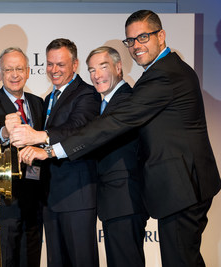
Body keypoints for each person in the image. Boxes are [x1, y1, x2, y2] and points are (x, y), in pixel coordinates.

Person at [20, 10, 221, 267]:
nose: (136, 45)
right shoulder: (163, 71)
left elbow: (115, 123)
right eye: (131, 40)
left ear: (161, 36)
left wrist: (49, 150)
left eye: (143, 37)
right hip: (180, 185)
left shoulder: (164, 74)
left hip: (181, 186)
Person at [11, 38, 101, 267]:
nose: (54, 70)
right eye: (50, 64)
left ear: (75, 64)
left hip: (77, 196)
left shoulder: (87, 94)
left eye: (60, 64)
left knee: (81, 261)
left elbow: (78, 127)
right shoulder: (48, 98)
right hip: (51, 198)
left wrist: (38, 136)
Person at [0, 47, 44, 267]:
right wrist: (6, 132)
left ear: (27, 71)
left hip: (36, 195)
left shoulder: (38, 103)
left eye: (19, 69)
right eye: (8, 70)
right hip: (6, 198)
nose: (14, 74)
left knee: (32, 256)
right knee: (6, 257)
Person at [86, 46, 148, 267]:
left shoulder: (126, 101)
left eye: (103, 67)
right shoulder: (103, 104)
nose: (96, 75)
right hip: (115, 203)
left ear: (118, 67)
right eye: (91, 70)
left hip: (125, 201)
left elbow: (97, 139)